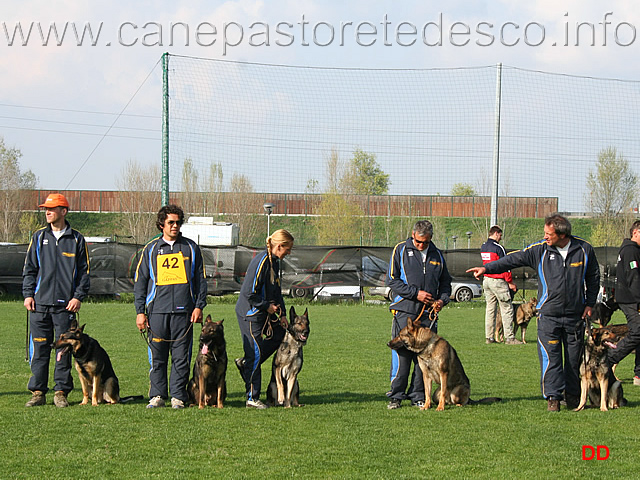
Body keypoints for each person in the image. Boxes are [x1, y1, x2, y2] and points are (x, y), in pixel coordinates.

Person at [467, 214, 600, 411]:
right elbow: (512, 259)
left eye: (549, 233)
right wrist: (486, 268)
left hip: (575, 316)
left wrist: (589, 304)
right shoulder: (540, 250)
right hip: (548, 316)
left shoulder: (584, 249)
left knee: (573, 360)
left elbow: (593, 276)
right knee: (551, 358)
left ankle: (572, 397)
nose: (545, 236)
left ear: (562, 234)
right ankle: (553, 399)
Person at [134, 204, 207, 409]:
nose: (175, 226)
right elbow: (140, 282)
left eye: (178, 222)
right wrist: (140, 312)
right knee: (157, 357)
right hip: (157, 311)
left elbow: (201, 280)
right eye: (170, 223)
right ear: (161, 224)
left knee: (180, 356)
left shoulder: (191, 248)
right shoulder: (151, 249)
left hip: (185, 312)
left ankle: (177, 396)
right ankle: (157, 395)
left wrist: (199, 306)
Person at [23, 193, 91, 408]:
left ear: (64, 211)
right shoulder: (38, 238)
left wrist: (78, 297)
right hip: (39, 305)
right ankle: (38, 392)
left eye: (52, 209)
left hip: (65, 307)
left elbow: (84, 273)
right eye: (46, 209)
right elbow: (29, 269)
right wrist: (28, 294)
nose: (48, 212)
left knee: (63, 351)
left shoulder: (77, 239)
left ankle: (60, 392)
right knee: (40, 350)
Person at [385, 220, 452, 409]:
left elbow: (446, 283)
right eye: (418, 241)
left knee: (424, 356)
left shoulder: (437, 254)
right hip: (405, 310)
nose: (421, 245)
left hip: (428, 315)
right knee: (402, 354)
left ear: (431, 238)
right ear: (413, 235)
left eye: (426, 242)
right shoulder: (400, 250)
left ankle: (418, 395)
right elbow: (392, 280)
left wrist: (442, 300)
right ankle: (396, 395)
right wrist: (416, 294)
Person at [235, 229, 294, 409]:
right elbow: (248, 293)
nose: (289, 253)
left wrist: (282, 314)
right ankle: (252, 398)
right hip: (250, 313)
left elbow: (276, 291)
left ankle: (247, 363)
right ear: (279, 246)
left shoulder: (274, 262)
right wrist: (266, 306)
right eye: (288, 249)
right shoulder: (260, 262)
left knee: (280, 336)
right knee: (255, 353)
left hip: (265, 313)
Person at [608, 220, 640, 385]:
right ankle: (608, 360)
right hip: (631, 299)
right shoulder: (630, 251)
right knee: (637, 331)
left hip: (630, 298)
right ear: (635, 232)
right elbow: (633, 277)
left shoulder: (633, 250)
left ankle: (638, 375)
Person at [481, 225, 522, 344]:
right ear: (496, 233)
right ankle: (509, 337)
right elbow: (506, 265)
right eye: (500, 235)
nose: (500, 238)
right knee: (507, 308)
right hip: (498, 281)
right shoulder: (498, 248)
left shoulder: (483, 246)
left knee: (490, 310)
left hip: (487, 280)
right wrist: (510, 282)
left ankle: (489, 337)